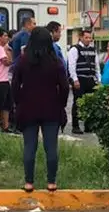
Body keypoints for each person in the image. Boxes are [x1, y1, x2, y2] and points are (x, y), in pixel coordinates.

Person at [11, 27, 69, 193]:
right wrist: (61, 103)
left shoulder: (22, 61)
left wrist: (18, 102)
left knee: (30, 146)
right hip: (51, 109)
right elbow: (64, 86)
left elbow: (14, 85)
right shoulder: (55, 62)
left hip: (28, 109)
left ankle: (29, 182)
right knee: (51, 147)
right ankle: (51, 182)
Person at [67, 29, 100, 134]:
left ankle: (88, 126)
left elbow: (97, 66)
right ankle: (75, 126)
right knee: (78, 103)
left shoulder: (92, 49)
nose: (88, 40)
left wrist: (98, 79)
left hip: (90, 79)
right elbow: (71, 66)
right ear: (80, 37)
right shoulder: (75, 49)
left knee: (90, 103)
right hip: (80, 79)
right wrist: (75, 80)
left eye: (90, 38)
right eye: (86, 37)